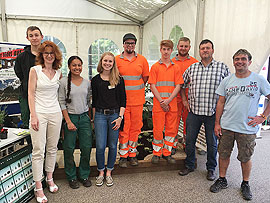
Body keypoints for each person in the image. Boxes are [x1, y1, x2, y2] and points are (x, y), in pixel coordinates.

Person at [210, 49, 270, 200]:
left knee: (245, 157)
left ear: (249, 62)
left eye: (243, 59)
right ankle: (222, 179)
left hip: (247, 128)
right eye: (237, 59)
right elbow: (221, 102)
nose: (240, 61)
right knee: (223, 155)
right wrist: (217, 123)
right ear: (233, 62)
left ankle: (245, 183)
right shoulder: (227, 80)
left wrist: (262, 117)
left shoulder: (258, 80)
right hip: (227, 126)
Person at [178, 39, 230, 181]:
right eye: (202, 48)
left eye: (208, 48)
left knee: (212, 143)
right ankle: (189, 165)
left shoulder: (222, 68)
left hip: (213, 114)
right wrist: (184, 100)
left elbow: (229, 89)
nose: (205, 50)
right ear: (199, 51)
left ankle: (211, 169)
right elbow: (182, 85)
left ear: (212, 50)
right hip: (194, 112)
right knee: (189, 141)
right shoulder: (192, 68)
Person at [28, 41, 62, 203]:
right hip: (39, 114)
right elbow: (30, 94)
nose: (49, 55)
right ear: (41, 55)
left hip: (55, 113)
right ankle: (38, 187)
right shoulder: (34, 71)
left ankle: (49, 178)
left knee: (52, 148)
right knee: (38, 150)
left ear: (55, 55)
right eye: (46, 53)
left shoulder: (58, 73)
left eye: (52, 53)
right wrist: (33, 116)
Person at [92, 52, 126, 186]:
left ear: (113, 64)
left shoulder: (119, 79)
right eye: (105, 61)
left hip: (114, 116)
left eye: (110, 61)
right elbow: (94, 102)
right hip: (100, 116)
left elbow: (123, 101)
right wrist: (94, 119)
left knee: (112, 145)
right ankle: (101, 171)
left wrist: (120, 118)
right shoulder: (95, 80)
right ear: (101, 62)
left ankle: (109, 172)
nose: (107, 63)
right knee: (100, 146)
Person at [58, 56, 92, 189]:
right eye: (74, 65)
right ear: (69, 67)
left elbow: (89, 101)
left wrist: (89, 118)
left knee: (86, 147)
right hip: (70, 117)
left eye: (79, 65)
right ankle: (71, 176)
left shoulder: (87, 83)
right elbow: (61, 102)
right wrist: (68, 121)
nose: (77, 68)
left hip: (84, 118)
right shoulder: (63, 82)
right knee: (69, 148)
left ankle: (84, 174)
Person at [115, 33, 149, 167]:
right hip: (122, 103)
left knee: (135, 128)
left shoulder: (142, 60)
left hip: (137, 102)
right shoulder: (117, 60)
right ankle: (123, 156)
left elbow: (145, 78)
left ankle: (132, 154)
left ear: (135, 45)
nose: (130, 45)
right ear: (123, 44)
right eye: (127, 43)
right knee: (124, 129)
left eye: (132, 43)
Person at [148, 40, 183, 164]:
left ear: (171, 50)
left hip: (172, 104)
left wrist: (168, 100)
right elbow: (152, 85)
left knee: (171, 130)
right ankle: (157, 153)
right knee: (157, 129)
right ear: (160, 50)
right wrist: (162, 101)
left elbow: (178, 86)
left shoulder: (176, 67)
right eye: (164, 49)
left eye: (168, 49)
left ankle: (167, 153)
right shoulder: (155, 67)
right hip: (159, 105)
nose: (166, 52)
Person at [171, 37, 198, 153]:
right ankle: (173, 144)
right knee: (174, 122)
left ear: (189, 48)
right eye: (181, 46)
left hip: (189, 97)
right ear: (177, 47)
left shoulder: (195, 63)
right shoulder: (171, 62)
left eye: (186, 46)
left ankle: (188, 144)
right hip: (174, 97)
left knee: (189, 123)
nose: (183, 48)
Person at [14, 26, 43, 129]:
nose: (34, 38)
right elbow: (19, 74)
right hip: (26, 94)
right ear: (27, 38)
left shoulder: (47, 55)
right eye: (31, 36)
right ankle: (31, 145)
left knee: (42, 122)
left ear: (41, 37)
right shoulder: (21, 57)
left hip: (44, 96)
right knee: (28, 123)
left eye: (36, 35)